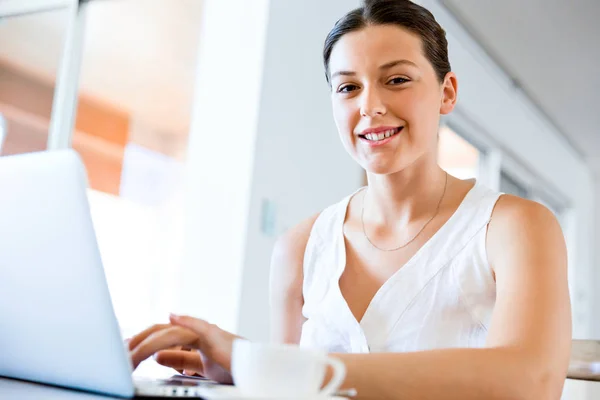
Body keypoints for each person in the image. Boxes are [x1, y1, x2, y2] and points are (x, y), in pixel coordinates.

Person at [128, 0, 572, 398]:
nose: (370, 106)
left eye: (396, 79)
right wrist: (242, 370)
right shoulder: (299, 248)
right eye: (348, 87)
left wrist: (272, 364)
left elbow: (530, 381)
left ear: (447, 92)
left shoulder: (516, 226)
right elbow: (288, 387)